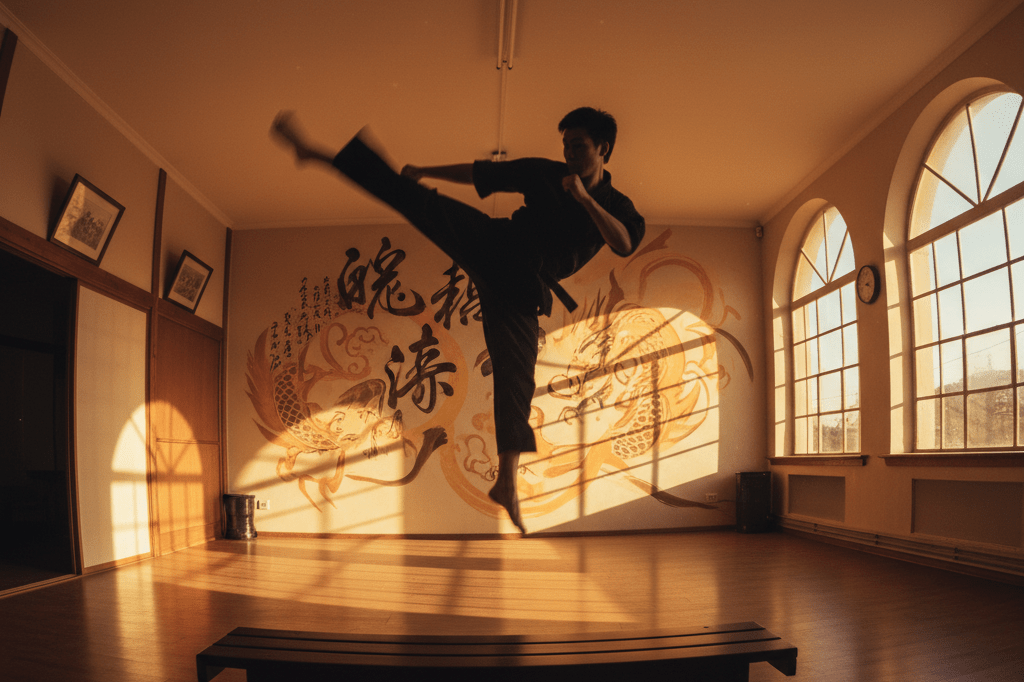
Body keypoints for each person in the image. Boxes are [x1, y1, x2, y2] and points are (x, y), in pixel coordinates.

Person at [271, 107, 645, 534]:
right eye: (565, 146)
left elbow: (624, 242)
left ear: (604, 150)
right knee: (421, 203)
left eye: (578, 147)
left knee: (517, 379)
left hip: (523, 289)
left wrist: (583, 198)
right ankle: (317, 154)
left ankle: (506, 482)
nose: (569, 155)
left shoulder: (617, 207)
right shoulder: (546, 173)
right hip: (495, 244)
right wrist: (425, 170)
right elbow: (484, 174)